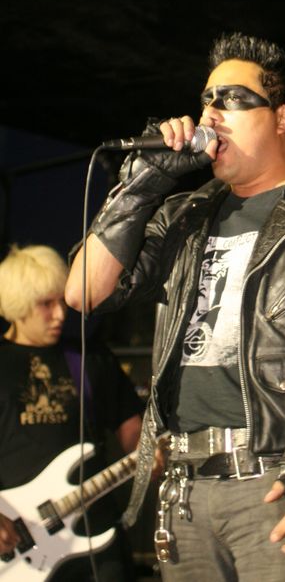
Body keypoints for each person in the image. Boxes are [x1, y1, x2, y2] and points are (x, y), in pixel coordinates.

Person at [66, 31, 285, 582]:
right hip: (183, 492)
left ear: (283, 117)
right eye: (206, 98)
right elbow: (85, 292)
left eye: (232, 98)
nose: (210, 112)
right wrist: (142, 184)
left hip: (278, 488)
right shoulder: (182, 214)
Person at [0, 243, 144, 581]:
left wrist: (150, 456)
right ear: (18, 305)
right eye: (45, 304)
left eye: (60, 302)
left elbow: (133, 432)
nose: (60, 315)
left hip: (97, 533)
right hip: (19, 541)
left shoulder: (89, 357)